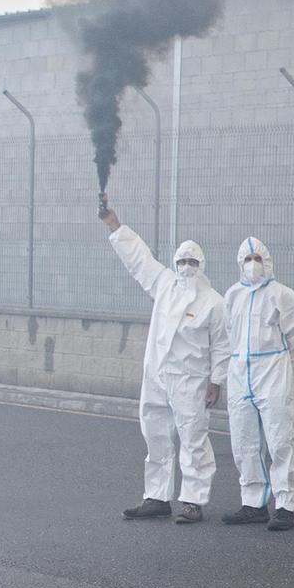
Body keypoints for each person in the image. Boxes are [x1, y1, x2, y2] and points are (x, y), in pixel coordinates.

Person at [101, 204, 227, 525]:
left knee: (193, 438)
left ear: (202, 265)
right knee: (155, 434)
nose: (186, 266)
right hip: (157, 375)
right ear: (174, 263)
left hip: (191, 380)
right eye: (182, 261)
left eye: (192, 262)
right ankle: (156, 496)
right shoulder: (164, 285)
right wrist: (114, 224)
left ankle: (193, 501)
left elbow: (222, 344)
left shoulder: (213, 301)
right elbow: (138, 258)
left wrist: (216, 380)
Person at [218, 236, 294, 531]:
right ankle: (252, 502)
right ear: (239, 263)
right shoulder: (232, 295)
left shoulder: (282, 295)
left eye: (258, 259)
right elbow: (229, 332)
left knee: (280, 438)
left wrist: (283, 366)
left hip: (273, 368)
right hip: (240, 369)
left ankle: (285, 504)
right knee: (244, 440)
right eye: (247, 259)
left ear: (267, 262)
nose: (252, 265)